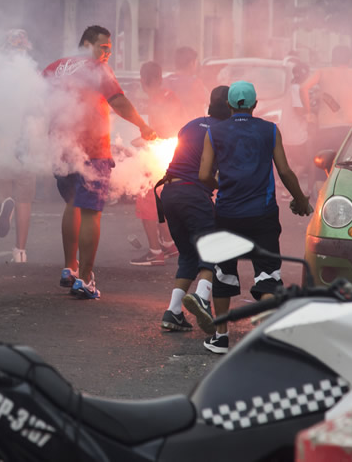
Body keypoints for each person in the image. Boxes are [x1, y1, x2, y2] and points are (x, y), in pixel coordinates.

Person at [194, 81, 312, 354]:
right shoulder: (269, 129)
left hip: (227, 214)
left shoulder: (214, 132)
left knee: (223, 273)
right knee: (268, 273)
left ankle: (221, 337)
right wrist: (301, 200)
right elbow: (284, 170)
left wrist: (220, 186)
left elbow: (203, 175)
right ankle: (266, 338)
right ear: (255, 104)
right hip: (263, 213)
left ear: (230, 105)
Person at [43, 25, 157, 299]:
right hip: (92, 149)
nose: (106, 54)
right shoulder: (96, 68)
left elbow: (40, 98)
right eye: (102, 48)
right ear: (86, 44)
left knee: (72, 205)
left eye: (109, 49)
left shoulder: (56, 66)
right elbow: (118, 101)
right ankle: (84, 280)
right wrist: (143, 125)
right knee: (91, 212)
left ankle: (69, 268)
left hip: (63, 148)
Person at [156, 86, 231, 332]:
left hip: (169, 193)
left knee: (188, 254)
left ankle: (173, 312)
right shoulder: (225, 131)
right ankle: (201, 297)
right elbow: (217, 171)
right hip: (193, 194)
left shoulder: (191, 124)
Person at [130, 61, 185, 267]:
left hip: (158, 155)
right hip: (172, 153)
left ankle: (155, 251)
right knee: (160, 200)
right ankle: (169, 244)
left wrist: (140, 140)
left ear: (143, 81)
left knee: (146, 201)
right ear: (161, 78)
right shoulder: (170, 95)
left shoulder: (156, 100)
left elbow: (161, 129)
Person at [0, 29, 38, 263]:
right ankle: (20, 251)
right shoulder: (32, 77)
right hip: (26, 146)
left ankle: (3, 207)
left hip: (3, 144)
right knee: (25, 199)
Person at [299, 45, 352, 189]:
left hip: (326, 127)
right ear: (350, 60)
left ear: (332, 59)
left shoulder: (322, 72)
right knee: (345, 167)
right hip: (349, 128)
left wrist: (308, 112)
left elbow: (303, 87)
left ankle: (321, 201)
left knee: (322, 167)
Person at [166, 46, 210, 120]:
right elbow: (201, 106)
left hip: (167, 126)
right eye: (196, 62)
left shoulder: (166, 81)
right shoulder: (195, 83)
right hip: (189, 126)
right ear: (191, 63)